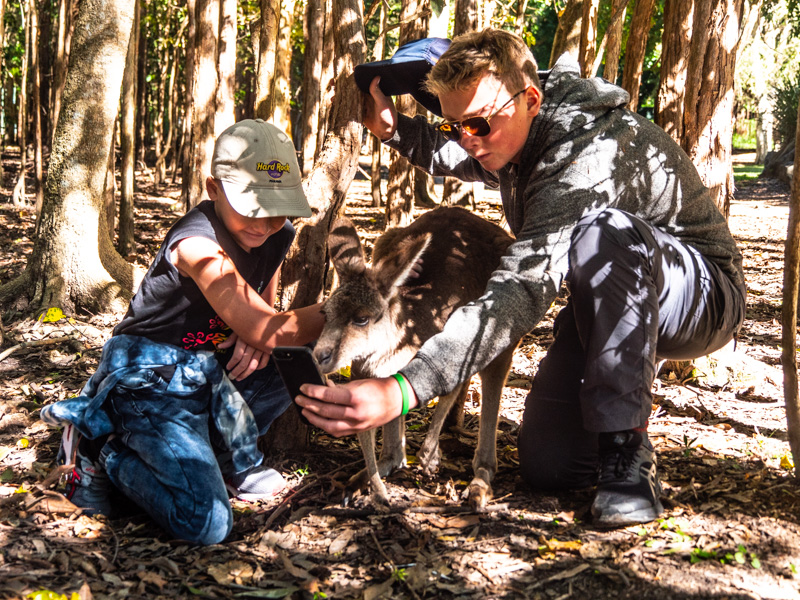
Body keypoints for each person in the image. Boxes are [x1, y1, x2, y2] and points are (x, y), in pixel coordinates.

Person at [296, 29, 746, 528]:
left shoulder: (581, 153)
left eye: (480, 123)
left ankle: (627, 452)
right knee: (550, 466)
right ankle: (601, 432)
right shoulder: (514, 135)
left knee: (602, 233)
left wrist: (401, 390)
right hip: (607, 305)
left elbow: (519, 290)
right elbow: (464, 156)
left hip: (698, 292)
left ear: (530, 99)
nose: (469, 138)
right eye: (455, 127)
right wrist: (394, 130)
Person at [42, 119, 325, 544]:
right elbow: (269, 327)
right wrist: (336, 310)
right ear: (213, 189)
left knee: (312, 350)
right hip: (149, 381)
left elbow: (264, 311)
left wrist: (254, 331)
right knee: (206, 521)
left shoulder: (276, 234)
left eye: (276, 208)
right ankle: (102, 448)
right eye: (250, 206)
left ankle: (224, 460)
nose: (263, 224)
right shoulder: (196, 245)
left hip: (210, 372)